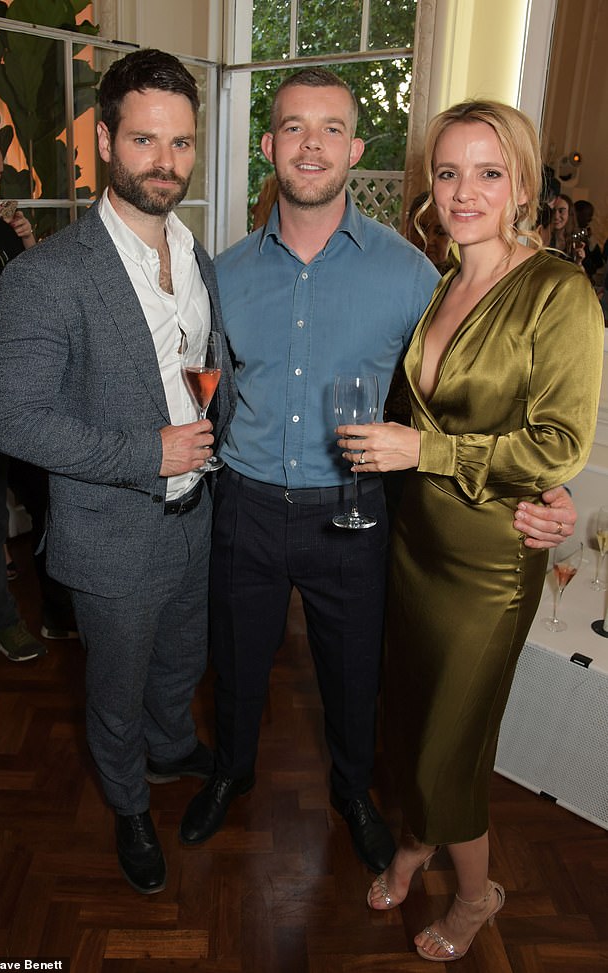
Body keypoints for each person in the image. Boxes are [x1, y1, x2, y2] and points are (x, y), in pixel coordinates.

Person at [179, 69, 577, 875]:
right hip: (246, 504)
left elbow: (461, 399)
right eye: (293, 127)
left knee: (356, 672)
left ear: (357, 150)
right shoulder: (218, 275)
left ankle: (355, 791)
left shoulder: (413, 279)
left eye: (331, 128)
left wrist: (546, 484)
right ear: (269, 148)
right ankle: (232, 770)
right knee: (237, 658)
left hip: (355, 512)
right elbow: (202, 383)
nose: (312, 143)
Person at [338, 100, 603, 961]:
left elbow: (559, 441)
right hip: (418, 545)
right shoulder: (446, 279)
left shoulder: (558, 291)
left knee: (453, 740)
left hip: (491, 561)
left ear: (522, 182)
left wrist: (428, 447)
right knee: (414, 718)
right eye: (449, 171)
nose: (464, 190)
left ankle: (478, 891)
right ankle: (415, 841)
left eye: (488, 172)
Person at [0, 48, 236, 895]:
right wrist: (146, 453)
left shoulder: (199, 258)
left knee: (180, 661)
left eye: (181, 144)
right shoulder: (44, 275)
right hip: (110, 533)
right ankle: (129, 800)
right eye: (144, 141)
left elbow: (204, 368)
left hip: (195, 516)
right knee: (117, 687)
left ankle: (171, 751)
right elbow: (9, 419)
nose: (166, 163)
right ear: (103, 140)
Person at [0, 121, 45, 662]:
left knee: (49, 496)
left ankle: (65, 612)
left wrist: (26, 243)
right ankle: (5, 621)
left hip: (19, 397)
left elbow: (38, 290)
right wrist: (12, 299)